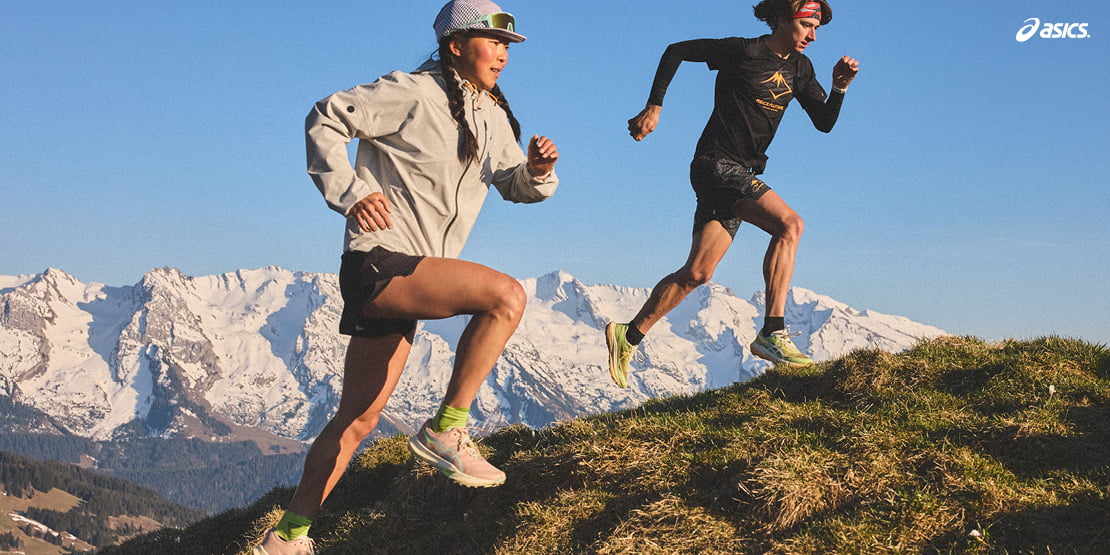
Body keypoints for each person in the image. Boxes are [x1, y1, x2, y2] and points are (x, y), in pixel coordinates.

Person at [252, 1, 558, 553]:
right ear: (455, 45)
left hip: (412, 277)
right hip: (379, 264)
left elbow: (513, 184)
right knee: (506, 297)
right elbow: (325, 117)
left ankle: (287, 538)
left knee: (358, 419)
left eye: (507, 47)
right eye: (493, 43)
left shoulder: (490, 114)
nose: (503, 56)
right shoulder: (411, 92)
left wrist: (537, 173)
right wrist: (350, 193)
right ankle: (447, 427)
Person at [605, 0, 859, 387]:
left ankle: (629, 334)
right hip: (715, 165)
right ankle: (773, 331)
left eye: (817, 28)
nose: (813, 35)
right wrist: (654, 106)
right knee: (790, 225)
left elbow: (823, 122)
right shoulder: (743, 51)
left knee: (697, 273)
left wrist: (839, 87)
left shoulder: (801, 68)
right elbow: (676, 50)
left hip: (740, 173)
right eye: (807, 25)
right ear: (782, 19)